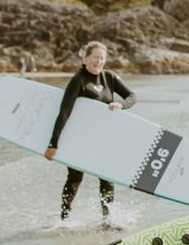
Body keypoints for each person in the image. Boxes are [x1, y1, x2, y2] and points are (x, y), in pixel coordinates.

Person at [44, 41, 136, 221]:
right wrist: (53, 144)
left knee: (107, 178)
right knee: (75, 177)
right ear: (85, 58)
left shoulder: (109, 77)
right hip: (80, 139)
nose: (98, 61)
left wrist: (121, 104)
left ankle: (107, 218)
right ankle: (64, 218)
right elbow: (64, 112)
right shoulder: (79, 80)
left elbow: (132, 97)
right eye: (95, 57)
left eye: (102, 58)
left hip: (103, 138)